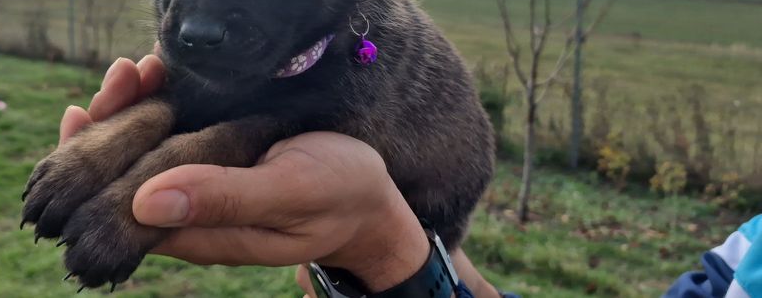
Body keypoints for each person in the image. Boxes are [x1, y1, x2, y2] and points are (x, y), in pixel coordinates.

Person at [57, 55, 506, 298]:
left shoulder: (359, 48)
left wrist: (386, 253)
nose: (196, 21)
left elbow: (284, 123)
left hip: (438, 194)